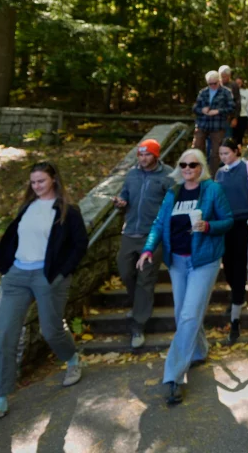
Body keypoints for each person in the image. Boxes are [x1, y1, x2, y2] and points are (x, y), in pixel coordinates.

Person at [0, 162, 88, 431]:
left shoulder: (68, 211)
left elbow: (80, 245)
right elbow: (13, 240)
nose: (36, 186)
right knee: (4, 335)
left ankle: (72, 359)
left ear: (54, 180)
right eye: (33, 182)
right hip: (18, 276)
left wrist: (60, 273)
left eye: (41, 181)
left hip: (47, 277)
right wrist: (6, 269)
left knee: (51, 330)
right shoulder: (27, 207)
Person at [137, 149, 232, 406]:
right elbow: (159, 223)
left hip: (204, 261)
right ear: (179, 167)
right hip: (177, 262)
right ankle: (199, 350)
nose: (188, 168)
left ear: (202, 167)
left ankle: (174, 377)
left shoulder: (212, 190)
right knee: (182, 313)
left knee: (189, 315)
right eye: (184, 164)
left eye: (194, 164)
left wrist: (209, 226)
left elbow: (229, 221)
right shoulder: (173, 192)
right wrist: (148, 248)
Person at [113, 139, 174, 349]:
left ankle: (138, 325)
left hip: (152, 235)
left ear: (156, 155)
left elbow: (175, 202)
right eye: (140, 155)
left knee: (145, 279)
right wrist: (120, 200)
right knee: (126, 272)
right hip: (130, 232)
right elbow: (125, 194)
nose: (143, 159)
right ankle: (141, 304)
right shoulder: (132, 174)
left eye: (147, 155)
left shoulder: (168, 175)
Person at [215, 138, 248, 343]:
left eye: (226, 153)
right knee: (229, 265)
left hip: (247, 224)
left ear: (236, 151)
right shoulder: (220, 173)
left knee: (246, 263)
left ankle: (239, 305)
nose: (223, 158)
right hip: (227, 224)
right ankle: (237, 294)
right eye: (220, 154)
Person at [193, 70, 235, 175]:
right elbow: (195, 108)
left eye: (214, 83)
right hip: (203, 124)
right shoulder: (203, 92)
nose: (212, 85)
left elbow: (232, 108)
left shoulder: (226, 92)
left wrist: (218, 111)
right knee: (197, 147)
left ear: (219, 81)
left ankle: (213, 176)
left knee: (215, 153)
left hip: (218, 125)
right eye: (210, 84)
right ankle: (199, 172)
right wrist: (202, 110)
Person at [219, 65, 242, 141]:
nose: (222, 79)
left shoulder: (233, 85)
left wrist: (235, 118)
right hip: (217, 117)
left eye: (224, 77)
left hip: (228, 118)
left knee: (227, 139)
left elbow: (237, 102)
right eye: (221, 76)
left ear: (229, 76)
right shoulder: (216, 84)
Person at [233, 76, 248, 147]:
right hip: (232, 117)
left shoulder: (246, 92)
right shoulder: (230, 90)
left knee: (240, 136)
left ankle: (239, 152)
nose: (238, 84)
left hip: (243, 116)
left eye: (239, 83)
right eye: (237, 83)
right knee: (233, 137)